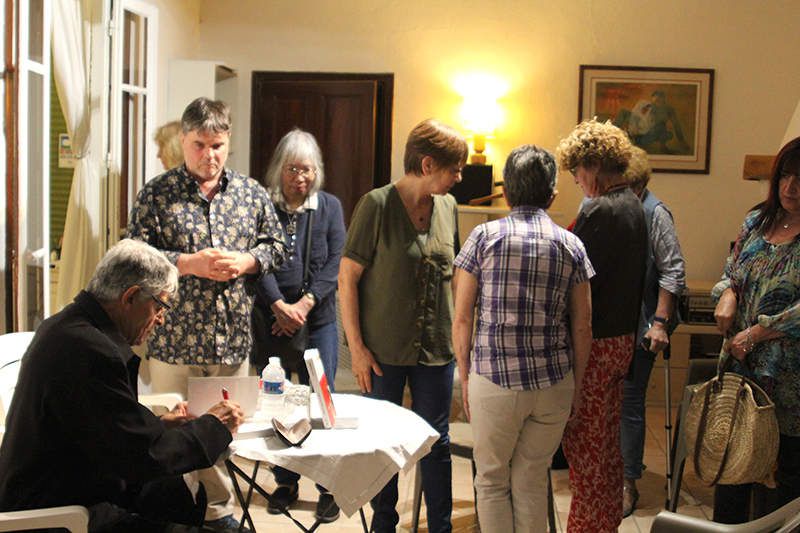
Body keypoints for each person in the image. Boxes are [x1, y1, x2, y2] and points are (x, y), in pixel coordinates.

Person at [0, 239, 245, 532]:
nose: (161, 320)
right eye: (160, 306)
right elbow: (142, 457)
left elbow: (102, 426)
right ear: (130, 297)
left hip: (70, 485)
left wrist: (161, 424)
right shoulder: (88, 348)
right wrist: (214, 425)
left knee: (171, 493)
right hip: (60, 512)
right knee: (169, 492)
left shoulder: (67, 325)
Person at [127, 97, 285, 531]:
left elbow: (277, 246)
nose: (208, 155)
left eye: (217, 145)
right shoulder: (157, 193)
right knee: (175, 434)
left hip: (231, 338)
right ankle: (190, 514)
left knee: (226, 431)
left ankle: (216, 512)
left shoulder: (251, 194)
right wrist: (186, 263)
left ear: (227, 141)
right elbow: (134, 255)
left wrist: (247, 262)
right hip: (173, 339)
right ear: (183, 141)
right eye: (199, 145)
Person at [452, 145, 594, 532]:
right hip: (552, 383)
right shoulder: (571, 244)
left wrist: (466, 378)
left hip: (494, 379)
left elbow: (462, 317)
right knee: (532, 479)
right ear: (552, 194)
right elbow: (583, 325)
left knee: (492, 481)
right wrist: (577, 387)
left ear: (508, 191)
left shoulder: (483, 237)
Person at [339, 118, 467, 533]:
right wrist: (356, 348)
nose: (460, 177)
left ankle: (441, 527)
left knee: (436, 442)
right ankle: (383, 524)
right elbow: (347, 279)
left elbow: (456, 275)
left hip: (435, 349)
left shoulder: (447, 207)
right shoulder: (375, 205)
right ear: (427, 163)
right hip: (382, 351)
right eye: (455, 168)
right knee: (385, 442)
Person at [556, 119, 648, 532]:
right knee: (606, 450)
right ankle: (604, 523)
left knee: (587, 452)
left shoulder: (602, 210)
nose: (576, 179)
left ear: (594, 164)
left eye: (578, 170)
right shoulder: (632, 203)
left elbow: (574, 280)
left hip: (595, 345)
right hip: (620, 341)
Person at [252, 129, 346, 522]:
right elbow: (254, 258)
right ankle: (285, 481)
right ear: (280, 169)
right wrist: (278, 306)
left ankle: (328, 486)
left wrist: (302, 307)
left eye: (307, 169)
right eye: (292, 169)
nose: (300, 177)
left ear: (317, 171)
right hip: (271, 319)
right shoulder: (261, 204)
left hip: (318, 318)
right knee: (278, 399)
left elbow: (334, 261)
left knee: (319, 400)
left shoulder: (329, 207)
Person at [711, 136, 800, 523]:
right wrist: (727, 291)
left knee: (786, 486)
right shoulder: (755, 220)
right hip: (741, 376)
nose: (790, 188)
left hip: (789, 384)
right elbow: (732, 273)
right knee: (731, 474)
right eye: (784, 176)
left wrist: (756, 334)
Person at [620, 146, 686, 516]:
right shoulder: (605, 206)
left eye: (628, 187)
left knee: (630, 401)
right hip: (611, 322)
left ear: (640, 185)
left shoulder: (655, 213)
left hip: (643, 322)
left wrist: (660, 322)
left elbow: (673, 271)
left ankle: (628, 482)